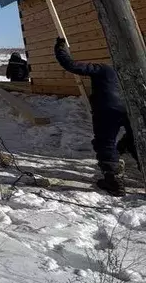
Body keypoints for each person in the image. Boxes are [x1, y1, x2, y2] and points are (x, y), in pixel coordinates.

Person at [54, 37, 139, 196]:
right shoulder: (129, 71)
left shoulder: (103, 69)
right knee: (134, 141)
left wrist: (60, 48)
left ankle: (113, 182)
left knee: (105, 143)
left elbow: (70, 65)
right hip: (128, 110)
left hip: (106, 110)